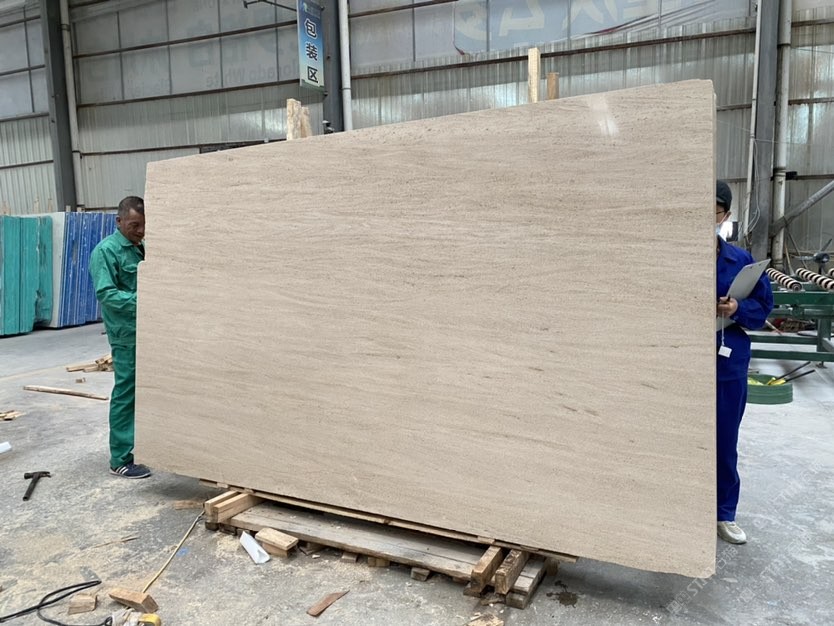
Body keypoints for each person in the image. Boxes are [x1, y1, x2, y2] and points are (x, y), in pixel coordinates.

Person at [715, 180, 773, 543]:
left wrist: (737, 307)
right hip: (678, 359)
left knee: (724, 441)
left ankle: (723, 513)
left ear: (725, 216)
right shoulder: (672, 258)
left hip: (726, 362)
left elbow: (764, 308)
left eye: (714, 212)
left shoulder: (741, 262)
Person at [90, 196, 152, 479]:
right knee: (126, 392)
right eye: (134, 225)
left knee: (148, 391)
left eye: (144, 224)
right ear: (119, 221)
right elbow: (107, 294)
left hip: (150, 330)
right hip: (126, 334)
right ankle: (120, 459)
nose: (140, 230)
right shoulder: (106, 252)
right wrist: (146, 300)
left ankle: (144, 447)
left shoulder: (142, 248)